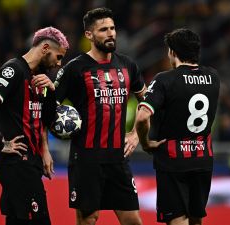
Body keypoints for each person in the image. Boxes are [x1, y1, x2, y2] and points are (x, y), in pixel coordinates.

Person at [53, 7, 146, 225]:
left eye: (112, 28)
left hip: (118, 157)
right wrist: (52, 133)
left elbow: (148, 100)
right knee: (88, 218)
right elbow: (50, 106)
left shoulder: (127, 65)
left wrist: (135, 135)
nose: (111, 33)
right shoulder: (74, 68)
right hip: (86, 158)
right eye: (103, 29)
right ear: (89, 35)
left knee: (133, 220)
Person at [0, 26, 69, 225]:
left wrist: (52, 90)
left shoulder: (40, 77)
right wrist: (1, 144)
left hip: (32, 161)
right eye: (58, 56)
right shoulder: (14, 70)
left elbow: (46, 118)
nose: (59, 63)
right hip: (17, 162)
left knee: (18, 220)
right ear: (45, 47)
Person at [135, 28, 220, 225]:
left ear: (172, 52)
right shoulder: (213, 77)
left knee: (177, 219)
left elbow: (141, 117)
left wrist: (146, 143)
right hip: (203, 158)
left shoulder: (165, 80)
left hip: (173, 161)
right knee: (196, 219)